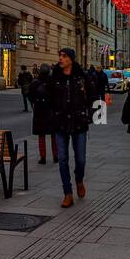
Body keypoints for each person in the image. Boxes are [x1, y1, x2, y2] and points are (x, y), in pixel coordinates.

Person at [47, 47, 96, 208]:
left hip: (79, 123)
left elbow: (94, 97)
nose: (60, 58)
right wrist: (52, 115)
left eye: (64, 56)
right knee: (62, 159)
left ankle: (79, 179)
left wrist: (89, 115)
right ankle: (67, 193)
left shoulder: (81, 76)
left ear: (71, 59)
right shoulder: (55, 76)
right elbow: (47, 97)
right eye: (60, 56)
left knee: (80, 159)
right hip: (60, 123)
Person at [29, 67, 57, 164]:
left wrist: (35, 104)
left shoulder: (35, 82)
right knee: (54, 134)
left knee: (41, 135)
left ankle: (43, 157)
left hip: (39, 111)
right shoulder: (52, 82)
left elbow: (30, 96)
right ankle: (55, 156)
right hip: (50, 111)